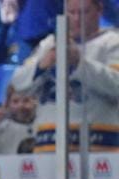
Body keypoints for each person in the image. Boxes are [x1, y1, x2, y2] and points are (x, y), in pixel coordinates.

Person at [10, 0, 119, 152]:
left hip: (99, 144)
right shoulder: (49, 44)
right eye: (72, 12)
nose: (76, 18)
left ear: (99, 10)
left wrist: (80, 64)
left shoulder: (113, 42)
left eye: (83, 12)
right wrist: (41, 66)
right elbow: (17, 84)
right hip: (48, 142)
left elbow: (116, 85)